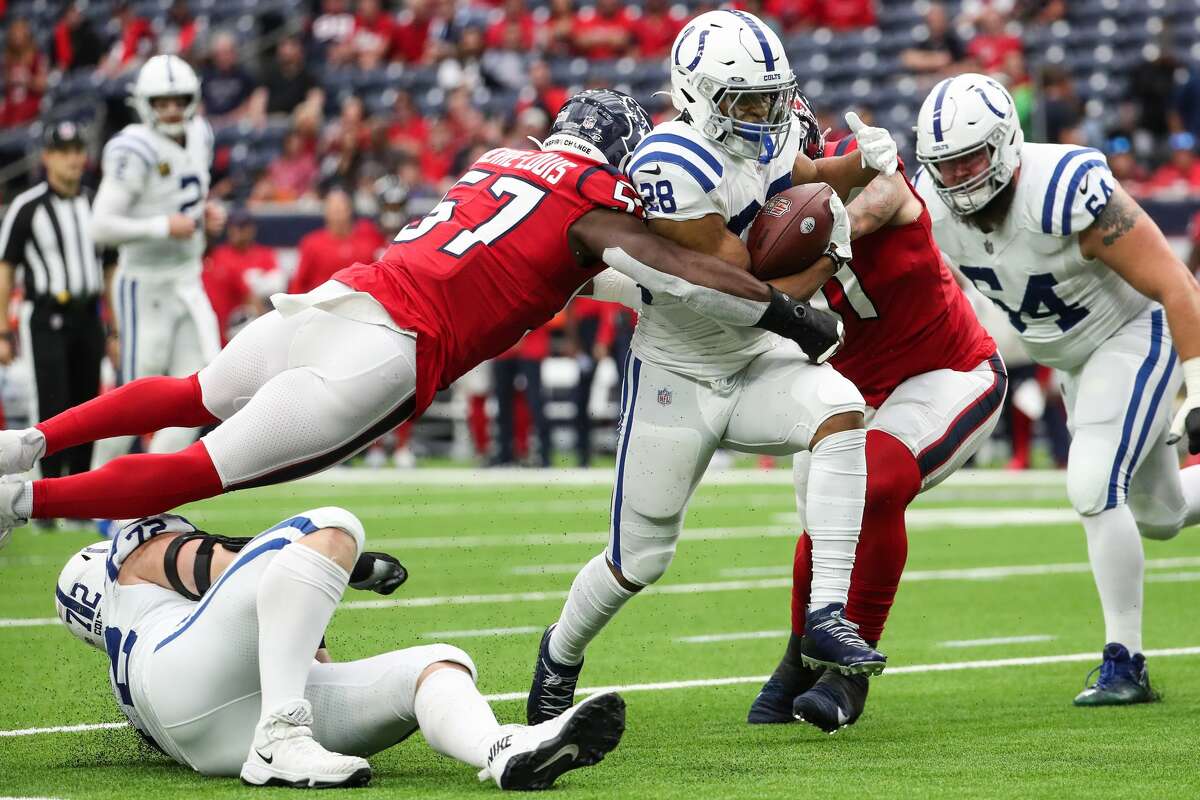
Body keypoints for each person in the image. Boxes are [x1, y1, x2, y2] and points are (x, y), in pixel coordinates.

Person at [0, 89, 841, 545]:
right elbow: (669, 262)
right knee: (201, 471)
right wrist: (782, 312)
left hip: (333, 302)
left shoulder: (498, 160)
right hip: (388, 348)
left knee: (190, 394)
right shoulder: (597, 202)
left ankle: (28, 441)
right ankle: (22, 501)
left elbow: (543, 267)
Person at [525, 11, 900, 726]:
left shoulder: (777, 128)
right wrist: (831, 251)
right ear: (696, 95)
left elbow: (804, 178)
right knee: (639, 559)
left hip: (757, 362)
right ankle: (560, 654)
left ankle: (825, 611)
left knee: (841, 410)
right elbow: (738, 288)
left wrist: (860, 168)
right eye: (747, 100)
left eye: (772, 96)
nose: (765, 114)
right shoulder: (675, 161)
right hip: (680, 368)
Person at [912, 73, 1200, 705]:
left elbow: (1177, 285)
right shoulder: (928, 208)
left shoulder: (1063, 190)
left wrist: (1199, 390)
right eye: (945, 166)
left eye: (970, 159)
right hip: (1071, 359)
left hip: (1130, 330)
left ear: (1007, 143)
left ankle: (1125, 662)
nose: (958, 178)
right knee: (1160, 515)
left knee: (1092, 484)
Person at [55, 508, 626, 789]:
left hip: (210, 732)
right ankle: (282, 740)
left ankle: (499, 749)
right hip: (214, 695)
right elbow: (220, 562)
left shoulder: (127, 660)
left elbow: (262, 609)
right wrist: (348, 564)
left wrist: (308, 603)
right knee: (331, 525)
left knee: (437, 664)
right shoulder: (130, 558)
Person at [744, 120, 1003, 732]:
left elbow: (884, 193)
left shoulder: (852, 168)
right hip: (851, 390)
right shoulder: (740, 211)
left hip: (947, 370)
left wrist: (820, 230)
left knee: (873, 483)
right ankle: (798, 657)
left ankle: (848, 676)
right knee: (823, 514)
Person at [88, 54, 225, 466]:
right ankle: (96, 487)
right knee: (133, 395)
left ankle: (149, 484)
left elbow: (187, 200)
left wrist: (205, 216)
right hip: (144, 284)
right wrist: (164, 226)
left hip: (187, 278)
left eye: (179, 99)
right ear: (144, 103)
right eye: (161, 102)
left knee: (200, 391)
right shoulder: (135, 147)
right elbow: (101, 226)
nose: (171, 109)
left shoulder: (201, 133)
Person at [0, 122, 109, 496]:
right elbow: (5, 266)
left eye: (78, 150)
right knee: (51, 400)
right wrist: (1, 330)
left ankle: (80, 488)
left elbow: (109, 265)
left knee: (89, 402)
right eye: (64, 152)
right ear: (47, 157)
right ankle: (48, 489)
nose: (73, 159)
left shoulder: (96, 202)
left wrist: (114, 326)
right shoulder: (27, 206)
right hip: (46, 316)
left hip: (88, 316)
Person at [288, 189, 383, 294]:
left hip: (362, 301)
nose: (338, 216)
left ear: (350, 210)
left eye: (342, 210)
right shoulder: (312, 243)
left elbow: (380, 273)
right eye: (334, 211)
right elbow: (299, 281)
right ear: (326, 213)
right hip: (322, 302)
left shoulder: (370, 236)